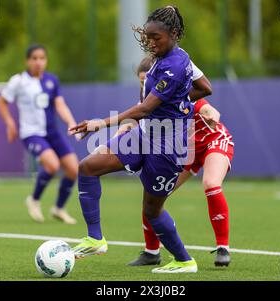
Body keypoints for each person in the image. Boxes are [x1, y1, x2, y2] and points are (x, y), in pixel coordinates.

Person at [70, 5, 201, 273]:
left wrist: (100, 123)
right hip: (145, 135)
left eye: (156, 38)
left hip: (168, 147)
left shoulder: (174, 66)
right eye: (148, 37)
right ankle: (95, 239)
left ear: (174, 34)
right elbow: (204, 87)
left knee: (152, 212)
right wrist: (181, 103)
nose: (150, 43)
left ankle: (185, 261)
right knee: (87, 168)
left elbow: (143, 109)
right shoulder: (174, 56)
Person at [121, 57, 234, 268]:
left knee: (211, 184)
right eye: (140, 82)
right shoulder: (147, 104)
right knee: (153, 195)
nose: (144, 85)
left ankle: (223, 248)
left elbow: (208, 109)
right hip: (185, 152)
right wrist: (117, 135)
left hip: (213, 141)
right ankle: (151, 252)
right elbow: (131, 122)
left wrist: (211, 115)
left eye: (147, 80)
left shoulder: (177, 95)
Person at [0, 44, 79, 224]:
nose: (38, 62)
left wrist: (71, 122)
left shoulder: (51, 80)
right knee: (52, 165)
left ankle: (59, 208)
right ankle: (33, 200)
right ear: (27, 61)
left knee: (73, 168)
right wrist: (10, 123)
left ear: (46, 61)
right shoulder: (18, 81)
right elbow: (1, 102)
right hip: (32, 134)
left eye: (42, 58)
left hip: (52, 133)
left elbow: (60, 104)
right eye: (34, 58)